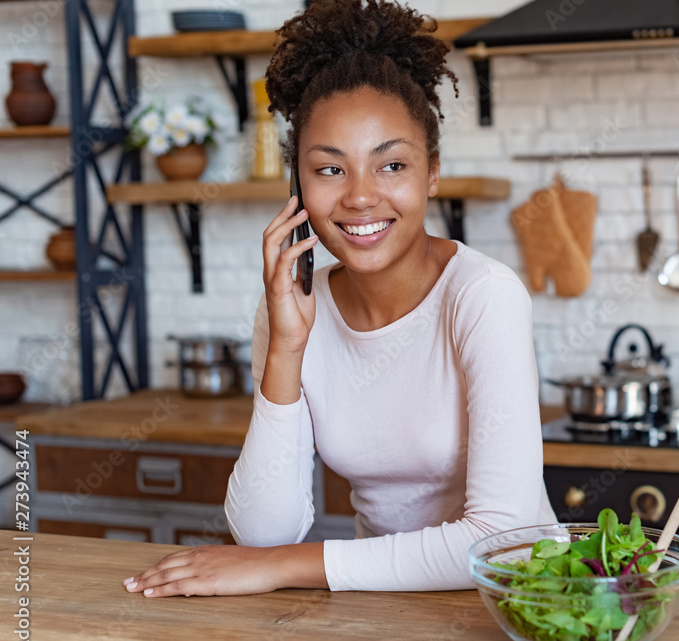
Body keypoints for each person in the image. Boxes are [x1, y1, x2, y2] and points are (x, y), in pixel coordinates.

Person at [122, 0, 557, 597]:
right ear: (297, 181)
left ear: (432, 172)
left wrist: (284, 568)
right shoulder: (293, 305)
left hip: (516, 612)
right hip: (381, 615)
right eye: (329, 170)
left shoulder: (483, 297)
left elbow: (504, 540)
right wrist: (286, 348)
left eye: (391, 165)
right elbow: (262, 534)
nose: (359, 197)